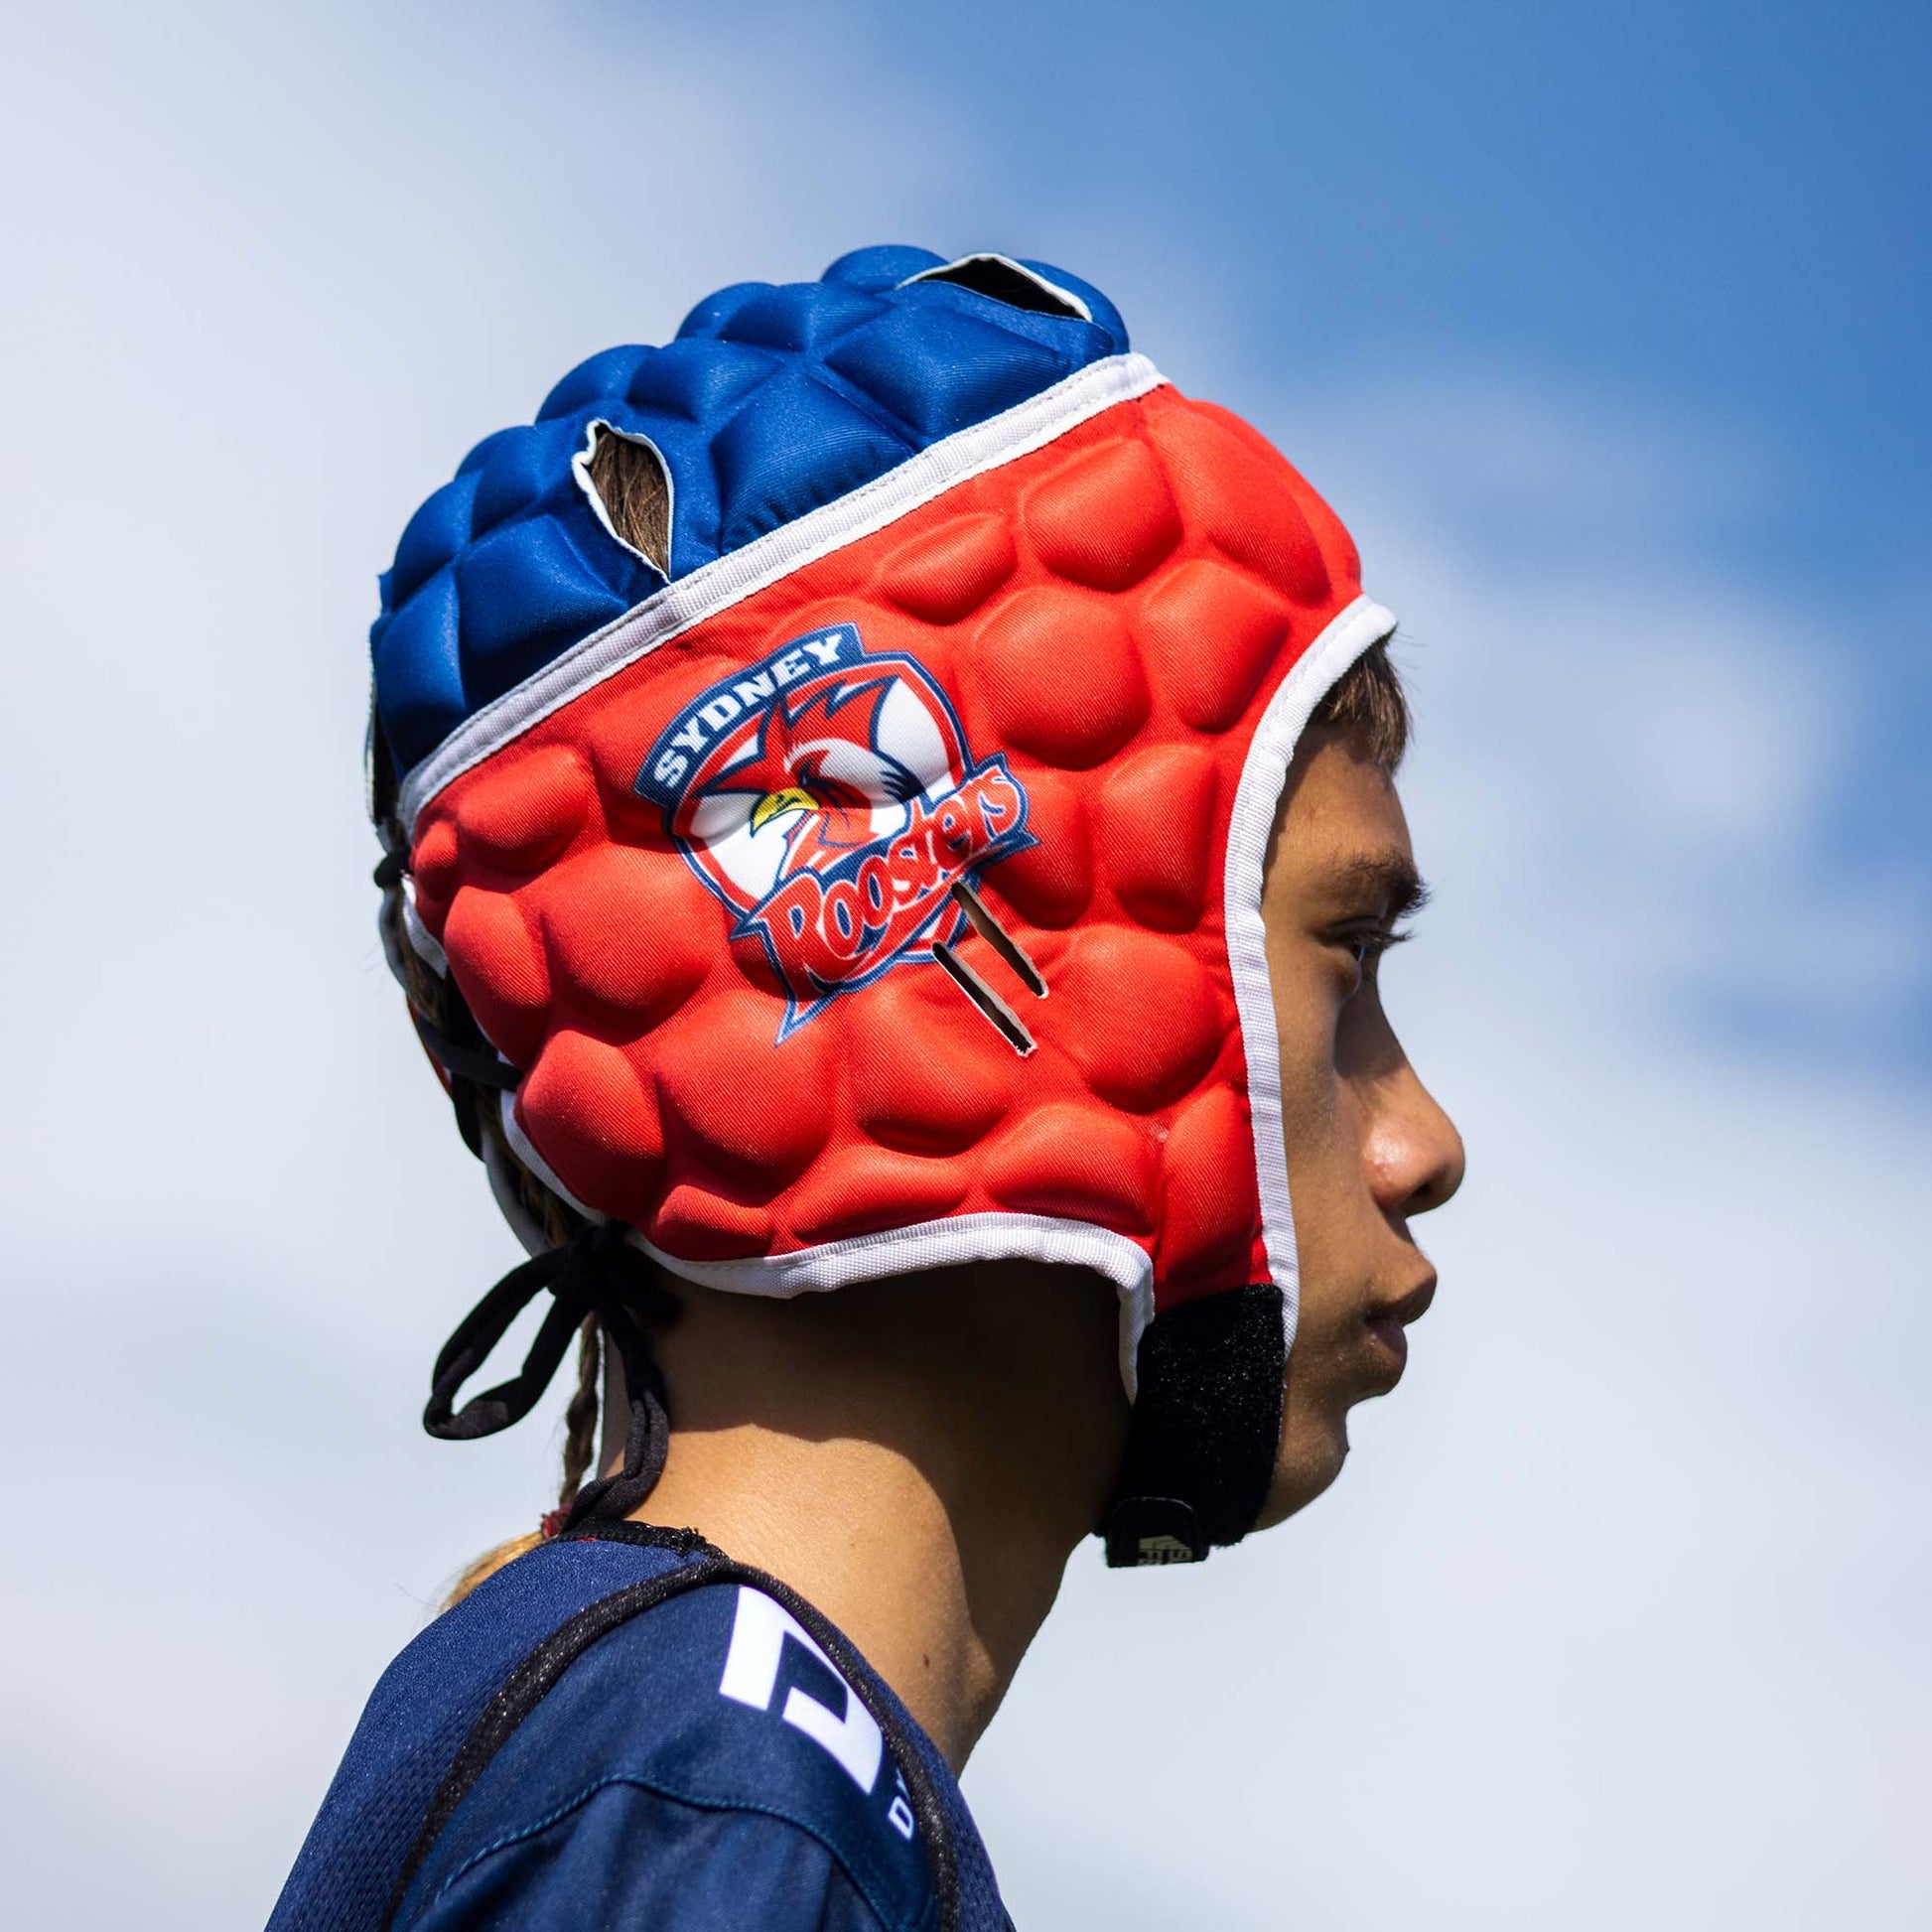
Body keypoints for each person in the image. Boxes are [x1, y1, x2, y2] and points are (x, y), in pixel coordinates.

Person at [270, 245, 1464, 1932]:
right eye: (1343, 964)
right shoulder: (724, 1788)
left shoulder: (709, 1752)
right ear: (950, 954)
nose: (1424, 1143)